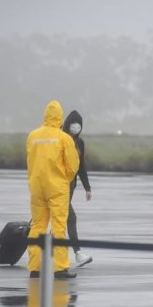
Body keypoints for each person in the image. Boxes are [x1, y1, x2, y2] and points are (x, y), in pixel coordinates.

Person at [26, 100, 80, 279]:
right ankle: (60, 268)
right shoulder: (64, 138)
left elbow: (29, 161)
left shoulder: (32, 136)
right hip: (57, 188)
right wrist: (64, 179)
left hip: (36, 186)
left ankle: (35, 268)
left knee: (37, 225)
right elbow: (73, 166)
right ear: (60, 117)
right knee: (58, 226)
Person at [62, 110, 93, 268]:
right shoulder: (60, 139)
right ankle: (77, 253)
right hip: (59, 185)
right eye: (73, 124)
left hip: (71, 185)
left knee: (61, 218)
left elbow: (81, 166)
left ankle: (47, 252)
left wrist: (87, 187)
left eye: (79, 125)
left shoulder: (80, 143)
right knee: (70, 218)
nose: (76, 127)